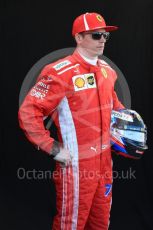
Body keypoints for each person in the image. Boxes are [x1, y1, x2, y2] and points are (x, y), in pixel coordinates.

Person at [18, 12, 124, 230]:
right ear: (78, 37)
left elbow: (117, 110)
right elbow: (29, 112)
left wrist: (129, 131)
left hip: (105, 164)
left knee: (101, 222)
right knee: (71, 224)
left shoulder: (108, 72)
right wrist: (52, 147)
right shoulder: (59, 73)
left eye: (105, 35)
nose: (102, 40)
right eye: (96, 35)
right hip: (77, 166)